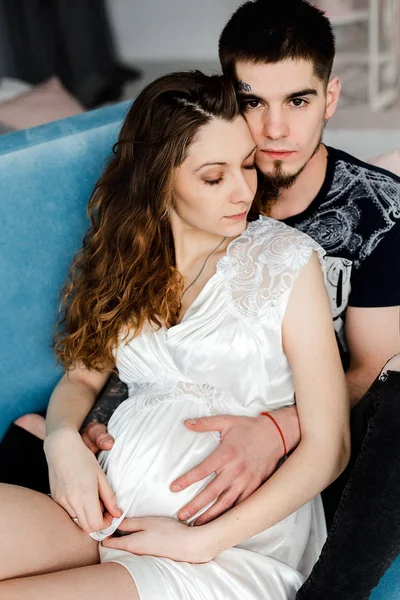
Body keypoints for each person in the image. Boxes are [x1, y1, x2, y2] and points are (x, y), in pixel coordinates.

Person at [0, 0, 399, 597]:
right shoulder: (132, 251)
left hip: (221, 540)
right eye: (252, 106)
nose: (271, 136)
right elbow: (87, 373)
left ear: (329, 97)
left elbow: (358, 397)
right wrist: (64, 440)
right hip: (107, 499)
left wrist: (271, 433)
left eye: (297, 100)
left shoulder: (307, 250)